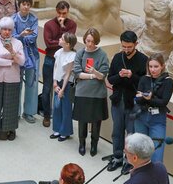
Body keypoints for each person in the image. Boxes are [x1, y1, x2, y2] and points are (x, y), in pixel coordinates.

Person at [108, 30, 148, 173]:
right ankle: (117, 157)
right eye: (124, 46)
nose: (126, 49)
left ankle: (129, 161)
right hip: (118, 99)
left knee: (131, 134)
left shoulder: (143, 60)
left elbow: (144, 84)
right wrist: (119, 76)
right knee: (116, 131)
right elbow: (110, 79)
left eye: (129, 47)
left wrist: (132, 75)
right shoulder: (118, 58)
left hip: (133, 102)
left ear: (135, 44)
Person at [72, 28, 109, 157]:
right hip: (82, 92)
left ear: (96, 41)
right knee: (82, 121)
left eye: (92, 41)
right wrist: (93, 76)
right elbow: (77, 73)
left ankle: (94, 144)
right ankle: (82, 144)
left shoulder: (102, 54)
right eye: (88, 41)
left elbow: (103, 75)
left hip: (97, 94)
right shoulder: (80, 53)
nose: (90, 44)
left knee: (96, 121)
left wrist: (94, 71)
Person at [0, 16, 25, 141]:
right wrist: (10, 61)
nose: (7, 32)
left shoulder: (18, 43)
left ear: (12, 30)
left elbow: (22, 61)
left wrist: (12, 52)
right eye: (4, 29)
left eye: (9, 29)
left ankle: (11, 129)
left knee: (11, 105)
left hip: (13, 78)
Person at [42, 1, 77, 128]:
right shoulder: (48, 24)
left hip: (65, 62)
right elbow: (49, 44)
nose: (62, 16)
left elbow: (70, 42)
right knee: (47, 89)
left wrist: (63, 27)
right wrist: (63, 42)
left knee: (63, 90)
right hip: (50, 59)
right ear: (56, 11)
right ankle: (46, 115)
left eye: (64, 13)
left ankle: (60, 118)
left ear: (68, 12)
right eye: (59, 13)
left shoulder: (72, 24)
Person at [134, 54, 173, 163]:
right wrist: (145, 98)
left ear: (162, 66)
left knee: (157, 154)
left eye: (156, 66)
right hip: (141, 117)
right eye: (150, 66)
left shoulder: (168, 81)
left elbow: (163, 102)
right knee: (139, 151)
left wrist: (148, 99)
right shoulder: (144, 79)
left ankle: (155, 178)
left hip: (157, 119)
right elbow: (137, 99)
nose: (153, 70)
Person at [13, 0, 40, 124]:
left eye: (28, 4)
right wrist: (21, 35)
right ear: (19, 4)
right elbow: (11, 37)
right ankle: (15, 112)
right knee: (16, 84)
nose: (26, 7)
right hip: (16, 55)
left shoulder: (34, 19)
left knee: (31, 84)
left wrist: (21, 36)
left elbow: (34, 36)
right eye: (24, 4)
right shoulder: (13, 19)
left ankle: (28, 112)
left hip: (31, 55)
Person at [50, 32, 77, 141]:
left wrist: (63, 89)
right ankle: (57, 129)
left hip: (66, 84)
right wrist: (54, 82)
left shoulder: (72, 56)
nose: (59, 40)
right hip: (58, 81)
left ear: (68, 44)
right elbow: (56, 68)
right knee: (56, 107)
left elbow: (68, 74)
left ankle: (65, 131)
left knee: (66, 108)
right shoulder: (58, 52)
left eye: (62, 39)